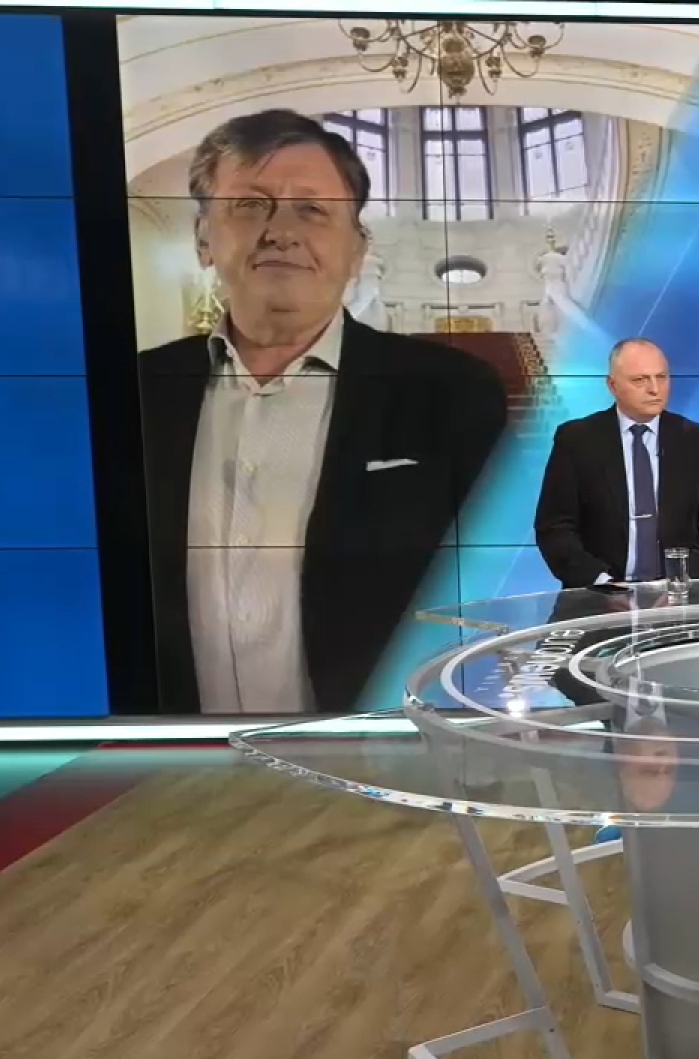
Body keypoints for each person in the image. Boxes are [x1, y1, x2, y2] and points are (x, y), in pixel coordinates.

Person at [139, 109, 508, 716]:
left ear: (357, 249)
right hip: (165, 757)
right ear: (204, 238)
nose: (281, 232)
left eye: (312, 209)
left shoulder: (453, 393)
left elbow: (495, 593)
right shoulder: (131, 392)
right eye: (250, 205)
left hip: (380, 751)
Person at [533, 338, 699, 587]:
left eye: (661, 377)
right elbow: (555, 528)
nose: (655, 389)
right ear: (613, 385)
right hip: (599, 593)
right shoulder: (577, 440)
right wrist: (602, 583)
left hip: (681, 592)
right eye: (640, 380)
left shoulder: (696, 440)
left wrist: (680, 580)